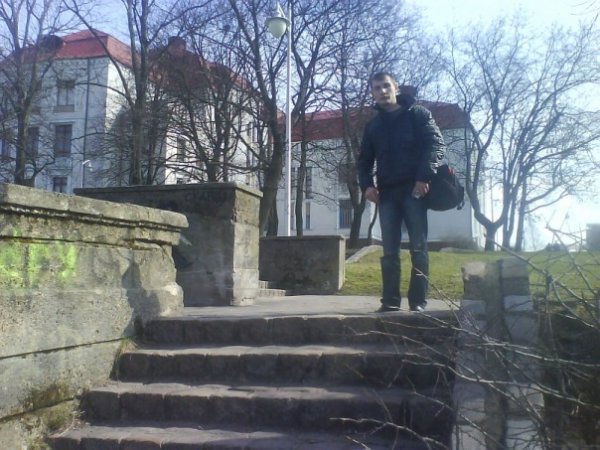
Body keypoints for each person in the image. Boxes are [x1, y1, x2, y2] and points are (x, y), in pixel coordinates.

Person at [357, 72, 446, 312]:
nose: (382, 91)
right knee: (389, 251)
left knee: (418, 247)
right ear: (372, 93)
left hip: (414, 190)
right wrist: (367, 186)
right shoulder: (373, 126)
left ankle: (418, 302)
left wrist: (423, 176)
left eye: (386, 86)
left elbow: (436, 144)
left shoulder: (417, 115)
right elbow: (364, 161)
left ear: (396, 88)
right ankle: (390, 302)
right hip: (387, 193)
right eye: (377, 88)